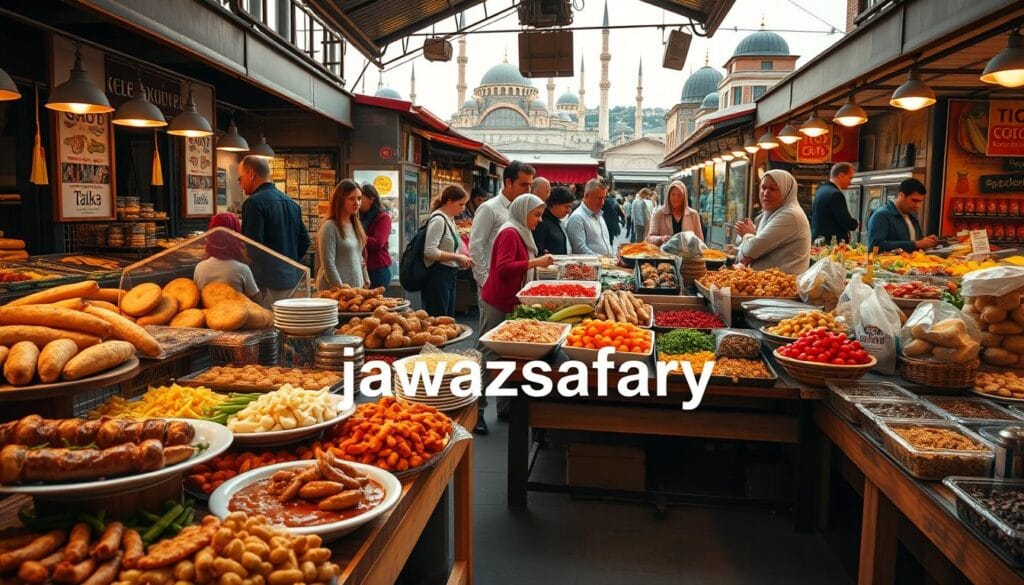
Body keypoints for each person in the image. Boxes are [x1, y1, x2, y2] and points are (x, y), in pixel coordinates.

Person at [479, 194, 554, 430]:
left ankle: (505, 407)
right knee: (488, 355)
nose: (540, 220)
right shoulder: (510, 232)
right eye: (537, 214)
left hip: (511, 302)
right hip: (497, 302)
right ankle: (476, 410)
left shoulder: (521, 231)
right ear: (523, 212)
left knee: (507, 358)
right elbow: (503, 269)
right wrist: (536, 263)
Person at [239, 155, 311, 307]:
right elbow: (305, 241)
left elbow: (252, 247)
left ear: (251, 175)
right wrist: (287, 263)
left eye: (240, 178)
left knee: (267, 327)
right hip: (291, 280)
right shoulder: (291, 203)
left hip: (266, 283)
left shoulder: (253, 203)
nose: (240, 184)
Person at [470, 161, 535, 302]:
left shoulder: (522, 209)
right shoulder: (489, 208)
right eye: (523, 185)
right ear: (508, 182)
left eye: (530, 185)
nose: (528, 190)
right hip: (493, 286)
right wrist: (485, 281)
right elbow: (476, 246)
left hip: (516, 285)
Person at [734, 169, 811, 274]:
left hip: (782, 286)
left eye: (773, 189)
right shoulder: (770, 213)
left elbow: (751, 249)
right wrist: (751, 244)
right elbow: (749, 251)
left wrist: (747, 234)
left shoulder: (790, 215)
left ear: (786, 191)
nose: (766, 193)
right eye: (763, 188)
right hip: (762, 283)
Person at [422, 185, 473, 316]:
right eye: (461, 204)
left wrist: (462, 256)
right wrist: (456, 257)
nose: (463, 208)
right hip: (437, 275)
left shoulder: (449, 219)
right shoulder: (439, 220)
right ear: (449, 202)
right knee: (439, 318)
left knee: (448, 317)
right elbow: (430, 251)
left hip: (449, 274)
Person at [315, 179, 368, 290]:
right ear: (340, 200)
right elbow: (328, 263)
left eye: (359, 198)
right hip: (335, 292)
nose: (357, 203)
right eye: (351, 199)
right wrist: (341, 289)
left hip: (355, 289)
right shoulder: (329, 226)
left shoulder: (355, 225)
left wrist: (365, 277)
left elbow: (359, 255)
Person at [194, 213, 259, 298]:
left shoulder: (200, 268)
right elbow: (256, 298)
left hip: (209, 311)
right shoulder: (242, 269)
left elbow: (196, 296)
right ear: (236, 235)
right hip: (237, 310)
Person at [867, 178, 937, 252]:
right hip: (887, 263)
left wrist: (926, 241)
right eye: (914, 200)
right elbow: (875, 246)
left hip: (911, 262)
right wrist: (916, 244)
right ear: (901, 195)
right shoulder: (881, 215)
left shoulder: (912, 216)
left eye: (920, 201)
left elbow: (915, 242)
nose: (917, 205)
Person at [811, 162, 859, 244]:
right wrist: (856, 224)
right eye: (850, 178)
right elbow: (845, 221)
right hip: (832, 245)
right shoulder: (835, 194)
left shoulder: (821, 190)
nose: (850, 182)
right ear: (841, 175)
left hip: (819, 242)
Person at [566, 178, 613, 256]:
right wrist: (602, 260)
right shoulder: (577, 218)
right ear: (586, 196)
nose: (602, 202)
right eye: (599, 198)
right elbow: (579, 249)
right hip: (593, 266)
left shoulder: (598, 214)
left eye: (604, 198)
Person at [647, 180, 703, 244]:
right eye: (673, 194)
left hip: (688, 253)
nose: (676, 198)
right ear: (668, 196)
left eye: (679, 195)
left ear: (684, 197)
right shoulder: (659, 214)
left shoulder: (693, 214)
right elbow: (650, 238)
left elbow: (700, 240)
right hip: (664, 253)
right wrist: (661, 238)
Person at [359, 182, 393, 288]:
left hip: (377, 268)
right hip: (362, 266)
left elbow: (378, 242)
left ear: (371, 199)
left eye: (360, 198)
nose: (358, 202)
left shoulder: (383, 217)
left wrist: (357, 236)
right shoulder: (359, 216)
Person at [533, 186, 574, 255]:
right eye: (566, 207)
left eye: (570, 207)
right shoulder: (541, 223)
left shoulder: (557, 220)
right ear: (554, 204)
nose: (568, 211)